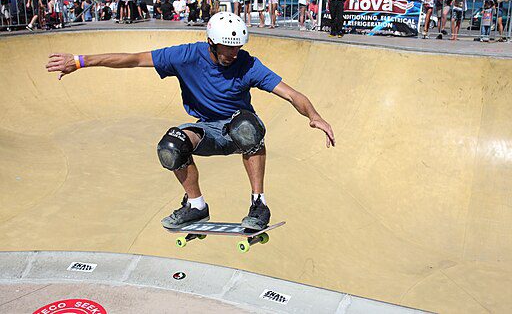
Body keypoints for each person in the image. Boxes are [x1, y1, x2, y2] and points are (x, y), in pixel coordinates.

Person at [45, 12, 335, 231]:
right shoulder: (185, 56)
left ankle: (259, 205)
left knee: (247, 127)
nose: (233, 54)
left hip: (237, 130)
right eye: (227, 48)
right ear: (211, 43)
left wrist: (314, 116)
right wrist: (81, 61)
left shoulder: (248, 64)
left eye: (237, 48)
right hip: (206, 130)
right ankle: (196, 205)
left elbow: (291, 93)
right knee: (170, 145)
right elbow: (133, 59)